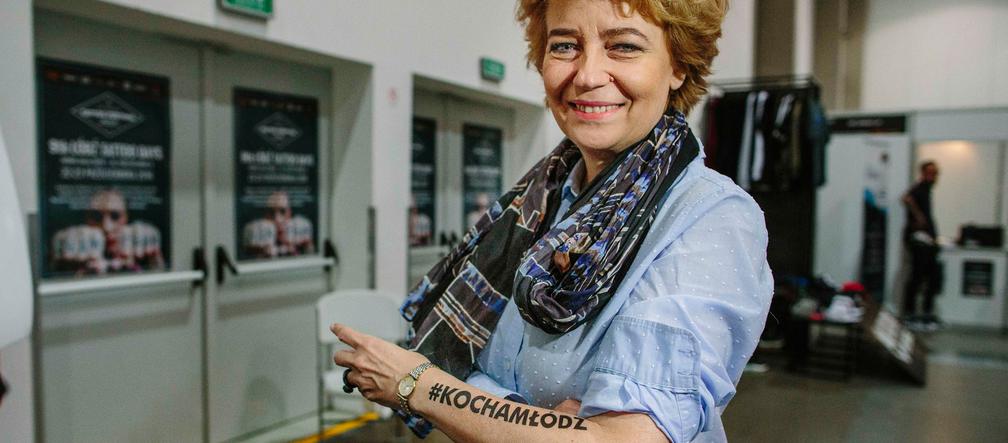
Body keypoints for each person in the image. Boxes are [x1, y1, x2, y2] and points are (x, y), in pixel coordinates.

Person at [331, 1, 772, 441]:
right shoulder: (536, 203)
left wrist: (418, 385)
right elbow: (480, 380)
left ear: (677, 65)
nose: (587, 75)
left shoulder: (709, 217)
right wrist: (547, 424)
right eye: (564, 46)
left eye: (623, 46)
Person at [50, 188, 164, 275]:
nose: (106, 227)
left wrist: (154, 262)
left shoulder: (141, 245)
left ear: (126, 217)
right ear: (86, 218)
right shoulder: (74, 246)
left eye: (115, 216)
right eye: (96, 216)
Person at [901, 160, 941, 330]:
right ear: (923, 173)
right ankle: (909, 312)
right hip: (919, 240)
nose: (934, 176)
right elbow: (906, 198)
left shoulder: (927, 191)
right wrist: (918, 216)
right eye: (931, 173)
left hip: (928, 240)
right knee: (917, 276)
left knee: (932, 277)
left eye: (936, 173)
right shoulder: (919, 189)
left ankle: (925, 312)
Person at [242, 190, 315, 258]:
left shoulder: (301, 236)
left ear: (290, 213)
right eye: (271, 212)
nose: (277, 219)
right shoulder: (256, 240)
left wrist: (304, 248)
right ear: (266, 215)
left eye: (283, 211)